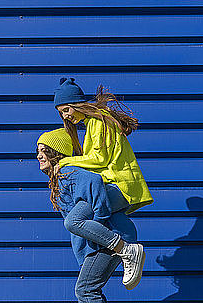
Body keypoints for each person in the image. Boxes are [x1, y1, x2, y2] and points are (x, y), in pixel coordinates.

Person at [36, 128, 146, 302]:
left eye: (44, 150)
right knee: (87, 290)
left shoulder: (68, 171)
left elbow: (95, 181)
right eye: (37, 151)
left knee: (86, 291)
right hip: (107, 240)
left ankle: (126, 250)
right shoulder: (61, 177)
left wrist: (100, 218)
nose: (39, 156)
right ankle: (125, 249)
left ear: (56, 153)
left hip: (112, 238)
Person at [52, 78, 154, 215]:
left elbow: (100, 158)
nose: (65, 116)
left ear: (78, 104)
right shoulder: (91, 122)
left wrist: (65, 161)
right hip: (114, 184)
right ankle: (122, 237)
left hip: (120, 185)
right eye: (61, 113)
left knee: (75, 220)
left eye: (66, 110)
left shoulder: (99, 121)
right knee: (118, 228)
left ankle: (115, 238)